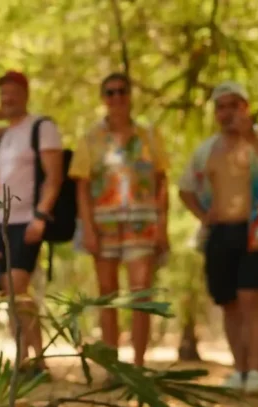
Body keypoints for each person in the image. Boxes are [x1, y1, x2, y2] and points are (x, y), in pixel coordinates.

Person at [178, 81, 258, 393]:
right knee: (229, 303)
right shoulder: (206, 150)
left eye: (233, 104)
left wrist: (252, 138)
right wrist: (204, 216)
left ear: (246, 107)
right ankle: (239, 369)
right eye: (221, 106)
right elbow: (184, 188)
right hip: (220, 233)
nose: (227, 112)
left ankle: (256, 372)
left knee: (251, 298)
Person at [69, 73, 171, 367]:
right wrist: (87, 229)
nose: (116, 98)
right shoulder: (90, 139)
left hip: (143, 226)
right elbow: (82, 187)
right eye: (110, 93)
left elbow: (162, 182)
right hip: (103, 228)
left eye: (122, 92)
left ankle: (138, 364)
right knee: (107, 297)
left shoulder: (150, 136)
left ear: (130, 95)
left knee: (142, 296)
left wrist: (162, 226)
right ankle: (112, 365)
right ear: (103, 98)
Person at [0, 70, 65, 375]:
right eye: (3, 94)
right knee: (10, 292)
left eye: (13, 93)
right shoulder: (6, 134)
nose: (8, 99)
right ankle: (32, 358)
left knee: (18, 288)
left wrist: (41, 215)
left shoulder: (42, 127)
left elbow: (54, 176)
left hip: (28, 220)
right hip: (1, 222)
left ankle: (32, 358)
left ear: (25, 94)